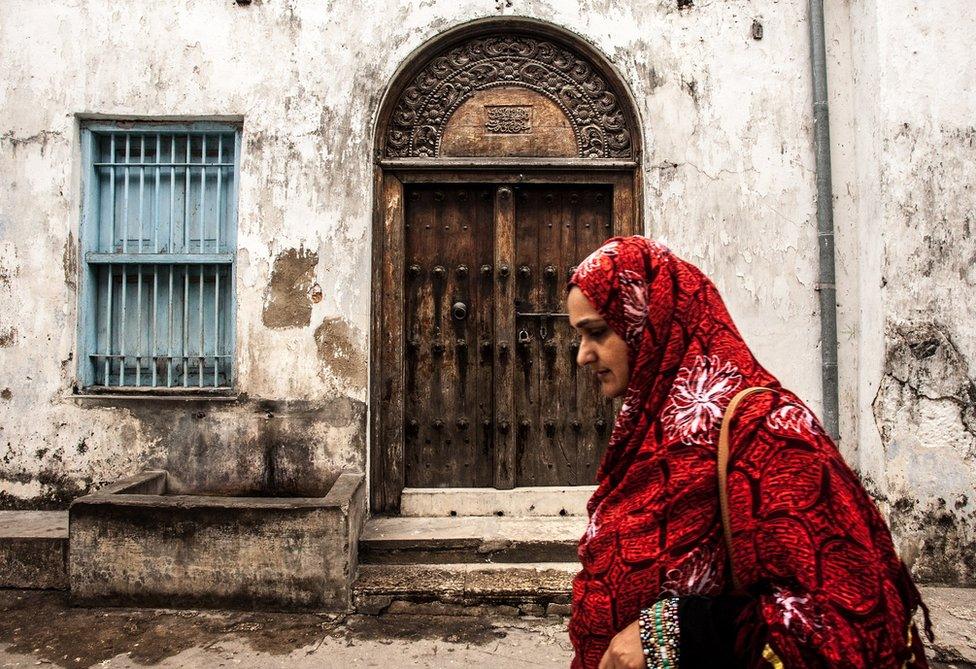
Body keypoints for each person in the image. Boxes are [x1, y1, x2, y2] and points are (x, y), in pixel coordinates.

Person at [565, 236, 931, 669]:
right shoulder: (652, 429)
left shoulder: (768, 429)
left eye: (597, 333)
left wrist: (684, 632)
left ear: (652, 317)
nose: (583, 356)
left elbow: (851, 606)